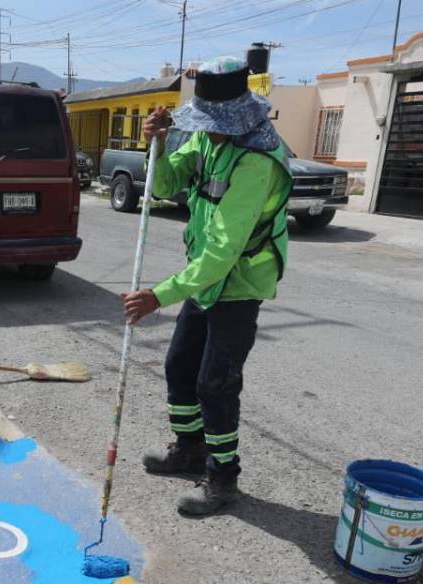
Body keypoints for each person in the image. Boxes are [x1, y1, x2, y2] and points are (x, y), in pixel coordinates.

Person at [121, 56, 292, 517]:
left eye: (215, 124)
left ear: (238, 120)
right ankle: (189, 449)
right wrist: (154, 145)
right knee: (180, 366)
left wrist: (160, 294)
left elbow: (223, 250)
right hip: (204, 276)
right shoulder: (206, 138)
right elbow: (167, 182)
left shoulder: (257, 161)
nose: (208, 131)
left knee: (216, 384)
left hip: (238, 283)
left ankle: (222, 478)